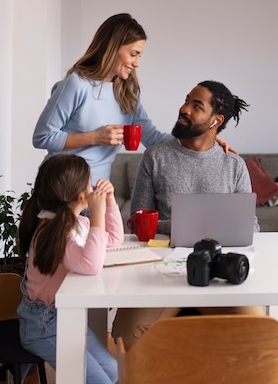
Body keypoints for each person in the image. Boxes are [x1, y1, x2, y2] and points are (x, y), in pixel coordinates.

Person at [112, 80, 264, 349]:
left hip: (219, 269)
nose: (184, 109)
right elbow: (138, 220)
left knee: (257, 329)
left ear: (215, 120)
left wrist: (194, 231)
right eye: (186, 101)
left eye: (197, 106)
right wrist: (178, 228)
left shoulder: (234, 165)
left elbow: (250, 226)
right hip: (164, 269)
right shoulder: (156, 157)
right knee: (126, 331)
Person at [32, 13, 233, 184]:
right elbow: (42, 137)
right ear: (112, 48)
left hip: (97, 195)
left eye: (140, 56)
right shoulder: (76, 84)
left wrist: (202, 138)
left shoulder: (127, 94)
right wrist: (95, 137)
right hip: (59, 189)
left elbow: (153, 138)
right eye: (133, 54)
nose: (137, 63)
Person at [16, 154, 124, 384]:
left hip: (64, 319)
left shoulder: (74, 223)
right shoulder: (56, 231)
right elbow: (90, 265)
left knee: (110, 370)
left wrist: (109, 203)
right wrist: (97, 213)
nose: (93, 189)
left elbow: (112, 239)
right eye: (89, 185)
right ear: (80, 197)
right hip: (43, 327)